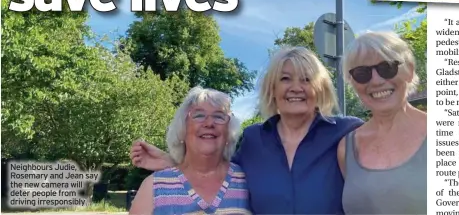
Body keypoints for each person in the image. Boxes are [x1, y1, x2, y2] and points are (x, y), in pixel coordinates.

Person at [131, 46, 363, 214]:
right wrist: (171, 162)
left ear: (320, 88)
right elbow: (217, 174)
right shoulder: (254, 138)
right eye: (285, 79)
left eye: (306, 79)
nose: (295, 88)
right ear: (272, 89)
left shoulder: (347, 132)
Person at [338, 31, 427, 214]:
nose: (377, 81)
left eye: (387, 67)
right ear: (352, 83)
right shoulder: (346, 148)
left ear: (409, 70)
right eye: (362, 73)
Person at [129, 87, 251, 215]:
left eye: (219, 117)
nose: (209, 123)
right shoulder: (154, 187)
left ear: (229, 132)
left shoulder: (248, 181)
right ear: (182, 129)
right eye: (199, 115)